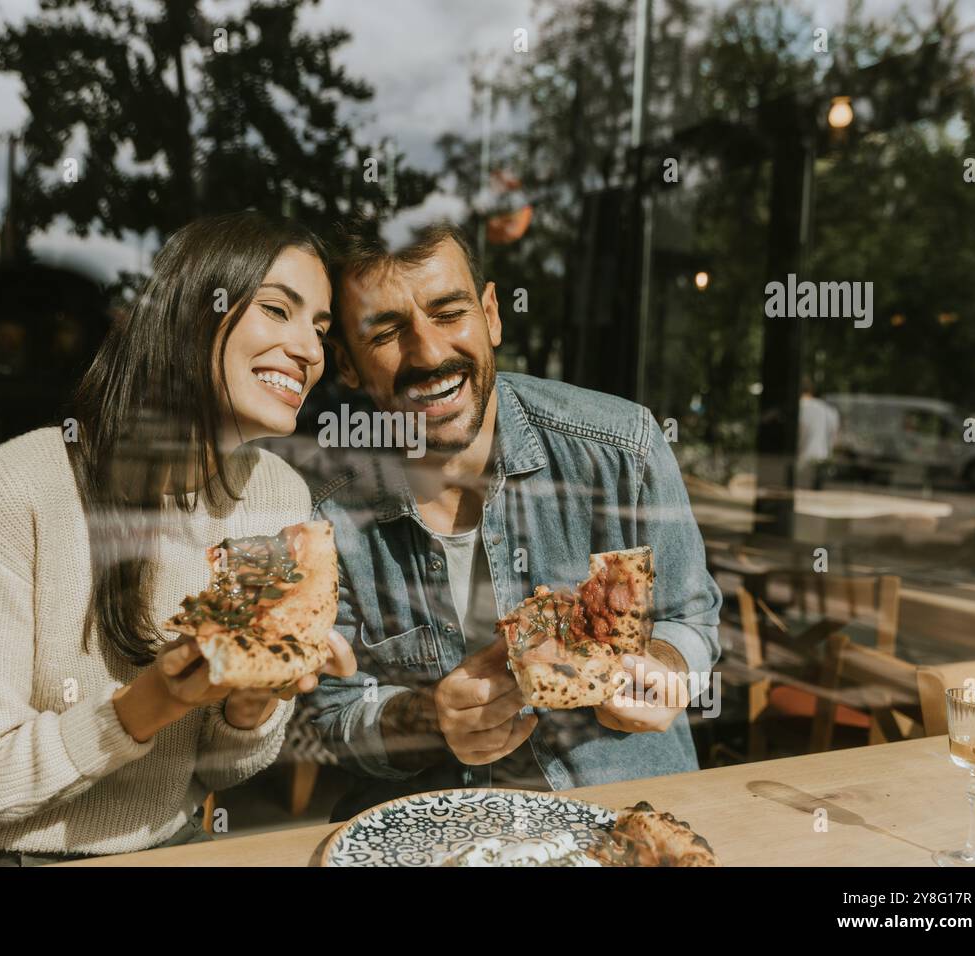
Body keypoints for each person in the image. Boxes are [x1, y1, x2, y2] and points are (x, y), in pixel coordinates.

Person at [0, 211, 355, 864]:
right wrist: (145, 707)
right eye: (277, 311)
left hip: (166, 846)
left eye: (320, 327)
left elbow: (227, 772)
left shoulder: (278, 496)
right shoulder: (23, 485)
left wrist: (253, 701)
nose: (310, 350)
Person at [303, 220, 721, 816]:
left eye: (449, 313)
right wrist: (425, 718)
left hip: (623, 823)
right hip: (435, 839)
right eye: (388, 331)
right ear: (345, 362)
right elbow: (330, 719)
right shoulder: (329, 516)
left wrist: (665, 668)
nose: (429, 352)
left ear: (492, 315)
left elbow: (692, 616)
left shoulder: (623, 448)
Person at [797, 379, 839, 490]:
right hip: (822, 463)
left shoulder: (796, 408)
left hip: (800, 465)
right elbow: (833, 436)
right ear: (811, 390)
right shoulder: (828, 410)